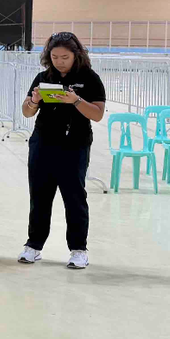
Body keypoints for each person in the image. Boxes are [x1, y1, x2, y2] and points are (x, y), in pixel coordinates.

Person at [18, 31, 106, 268]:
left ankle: (78, 249)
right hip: (43, 143)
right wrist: (34, 101)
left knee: (74, 197)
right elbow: (27, 111)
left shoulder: (90, 78)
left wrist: (75, 101)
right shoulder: (43, 77)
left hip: (74, 144)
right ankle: (33, 245)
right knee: (40, 195)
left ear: (76, 55)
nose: (59, 61)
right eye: (55, 57)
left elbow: (97, 114)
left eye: (64, 57)